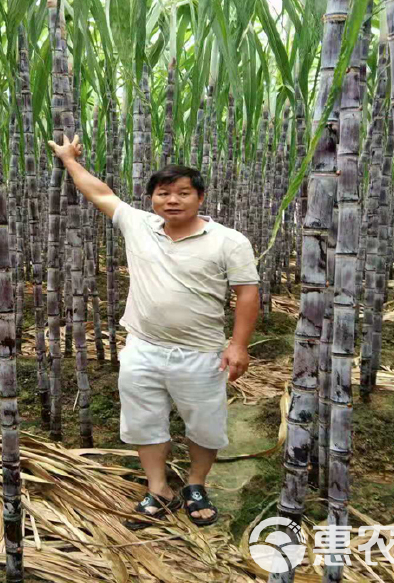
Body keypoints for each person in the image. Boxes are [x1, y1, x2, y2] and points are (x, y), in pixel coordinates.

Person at [48, 134, 260, 530]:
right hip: (143, 348)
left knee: (205, 424)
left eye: (183, 193)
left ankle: (196, 484)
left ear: (201, 197)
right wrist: (69, 159)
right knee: (144, 421)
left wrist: (239, 345)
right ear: (153, 199)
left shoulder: (229, 241)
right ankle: (158, 487)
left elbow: (247, 294)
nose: (173, 200)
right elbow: (98, 191)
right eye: (164, 193)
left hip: (201, 352)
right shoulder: (139, 225)